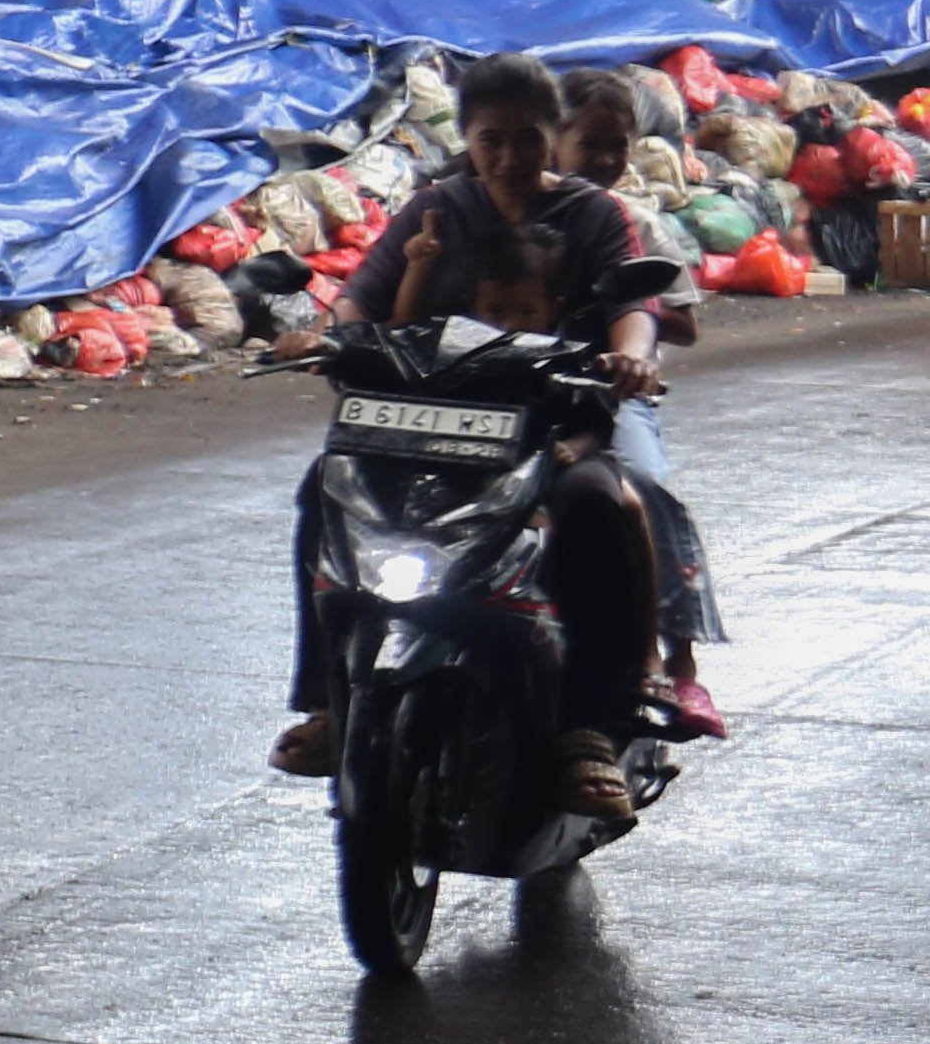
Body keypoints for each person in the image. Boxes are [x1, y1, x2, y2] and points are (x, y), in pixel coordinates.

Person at [269, 51, 668, 817]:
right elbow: (360, 299)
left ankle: (587, 725)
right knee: (326, 487)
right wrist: (326, 339)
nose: (508, 157)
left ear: (552, 136)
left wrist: (632, 358)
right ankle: (326, 698)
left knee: (599, 509)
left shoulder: (591, 214)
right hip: (421, 430)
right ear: (468, 138)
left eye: (526, 139)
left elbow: (635, 307)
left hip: (548, 432)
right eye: (491, 140)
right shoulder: (435, 210)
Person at [563, 68, 730, 743]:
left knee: (644, 484)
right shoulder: (482, 208)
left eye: (617, 145)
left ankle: (673, 660)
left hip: (605, 394)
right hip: (500, 395)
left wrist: (628, 332)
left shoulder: (631, 221)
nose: (605, 160)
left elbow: (682, 321)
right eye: (589, 143)